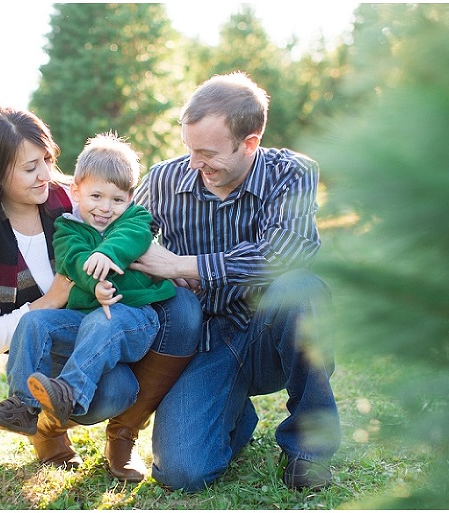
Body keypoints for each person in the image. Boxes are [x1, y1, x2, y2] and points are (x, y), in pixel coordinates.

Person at [0, 106, 199, 482]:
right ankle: (41, 422)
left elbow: (128, 222)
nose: (46, 175)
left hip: (110, 316)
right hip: (56, 337)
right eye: (30, 168)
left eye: (47, 160)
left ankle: (123, 434)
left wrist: (171, 266)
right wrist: (47, 301)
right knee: (113, 391)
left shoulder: (74, 198)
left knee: (181, 309)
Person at [130, 72, 341, 491]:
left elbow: (284, 254)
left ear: (249, 143)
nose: (195, 163)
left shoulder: (293, 173)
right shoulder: (163, 180)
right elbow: (123, 240)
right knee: (181, 472)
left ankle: (307, 450)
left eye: (207, 152)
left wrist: (182, 266)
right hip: (207, 341)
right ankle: (232, 413)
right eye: (189, 149)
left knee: (300, 288)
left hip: (272, 333)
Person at [0, 132, 178, 440]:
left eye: (117, 199)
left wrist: (107, 253)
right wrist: (94, 284)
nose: (106, 208)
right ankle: (22, 407)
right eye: (96, 197)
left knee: (103, 320)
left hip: (133, 319)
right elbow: (72, 259)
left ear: (130, 199)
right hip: (82, 320)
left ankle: (70, 391)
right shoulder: (68, 227)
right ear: (76, 192)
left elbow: (133, 238)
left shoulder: (133, 219)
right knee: (33, 321)